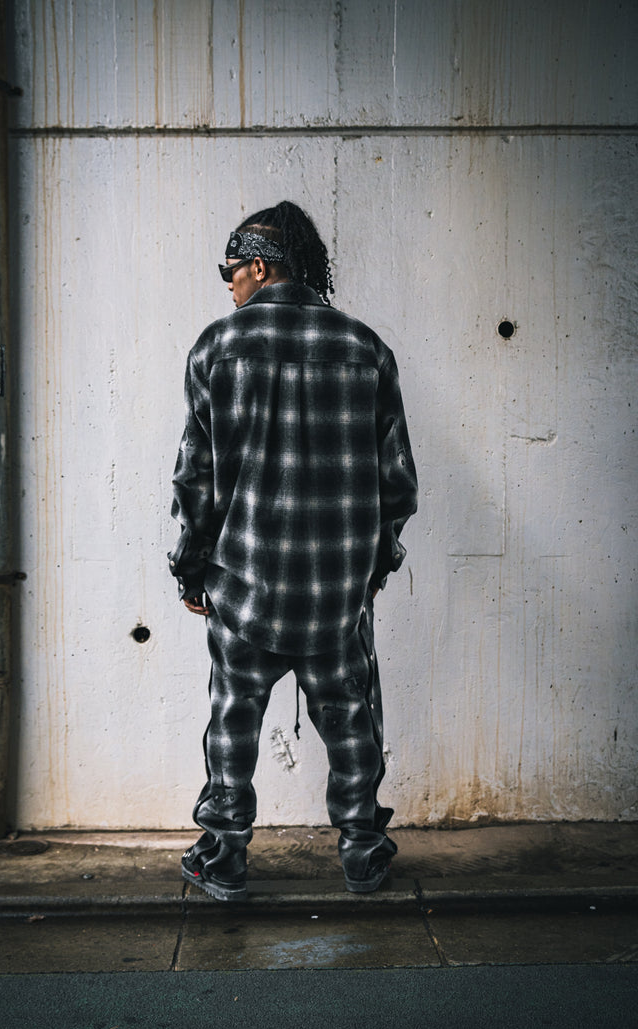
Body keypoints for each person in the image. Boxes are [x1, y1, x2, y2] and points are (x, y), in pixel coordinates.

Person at [168, 200, 418, 901]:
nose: (228, 284)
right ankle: (362, 852)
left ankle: (223, 857)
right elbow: (398, 483)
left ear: (258, 265)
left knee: (233, 719)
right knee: (350, 719)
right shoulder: (366, 349)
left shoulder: (216, 348)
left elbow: (195, 479)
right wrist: (372, 570)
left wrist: (191, 570)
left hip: (244, 584)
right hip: (335, 593)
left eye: (230, 271)